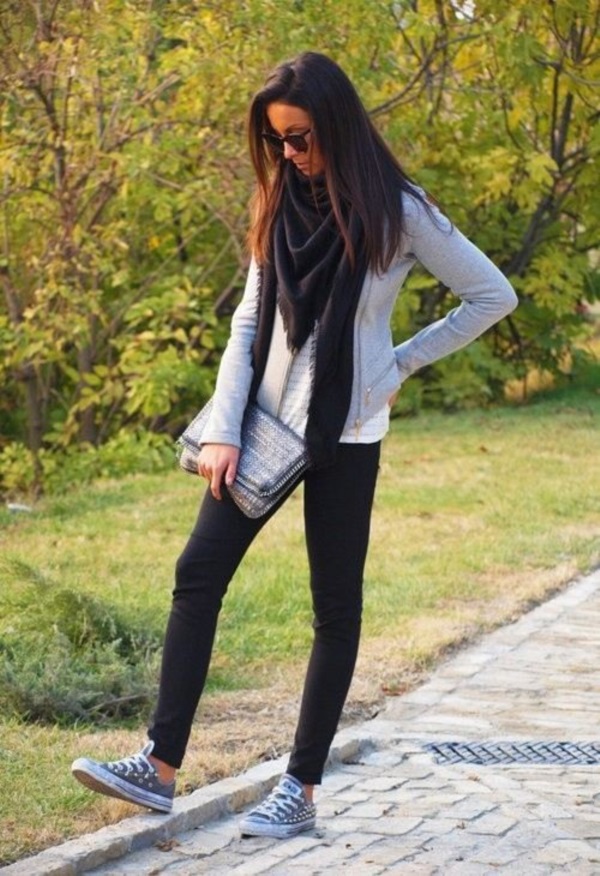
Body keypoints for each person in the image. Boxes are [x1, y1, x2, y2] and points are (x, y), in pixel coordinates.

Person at [71, 51, 517, 838]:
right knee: (197, 573)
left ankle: (300, 789)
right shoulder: (279, 199)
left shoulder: (401, 211)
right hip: (263, 426)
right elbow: (249, 321)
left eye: (301, 137)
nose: (289, 152)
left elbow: (491, 295)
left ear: (337, 127)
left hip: (347, 428)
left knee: (334, 607)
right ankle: (159, 767)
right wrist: (222, 427)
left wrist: (397, 363)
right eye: (277, 139)